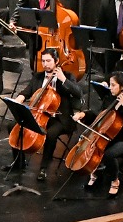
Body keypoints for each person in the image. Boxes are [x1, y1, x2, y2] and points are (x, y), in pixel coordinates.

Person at [82, 71, 123, 197]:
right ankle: (95, 171)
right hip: (108, 137)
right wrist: (84, 114)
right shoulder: (109, 99)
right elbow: (100, 115)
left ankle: (115, 180)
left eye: (113, 85)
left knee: (109, 154)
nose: (110, 88)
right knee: (92, 144)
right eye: (110, 84)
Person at [32, 49, 85, 180]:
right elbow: (27, 91)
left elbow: (79, 93)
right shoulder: (38, 76)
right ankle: (18, 161)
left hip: (61, 118)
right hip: (42, 115)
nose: (45, 64)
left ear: (56, 61)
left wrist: (63, 79)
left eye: (48, 61)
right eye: (43, 61)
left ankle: (43, 168)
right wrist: (19, 98)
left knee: (51, 133)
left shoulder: (67, 76)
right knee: (15, 125)